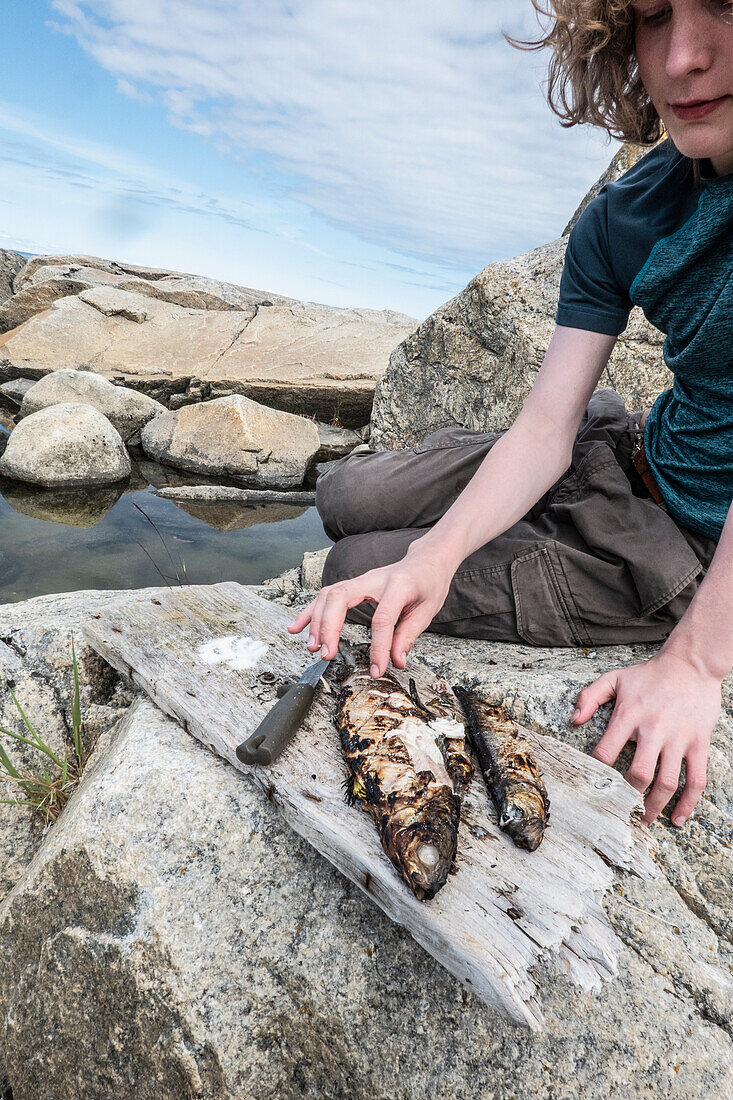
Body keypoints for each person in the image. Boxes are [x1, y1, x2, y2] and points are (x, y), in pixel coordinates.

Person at [289, 0, 733, 828]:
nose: (678, 60)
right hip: (623, 447)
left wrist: (697, 663)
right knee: (346, 495)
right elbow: (544, 426)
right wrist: (436, 555)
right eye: (648, 17)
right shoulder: (625, 214)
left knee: (354, 574)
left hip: (689, 545)